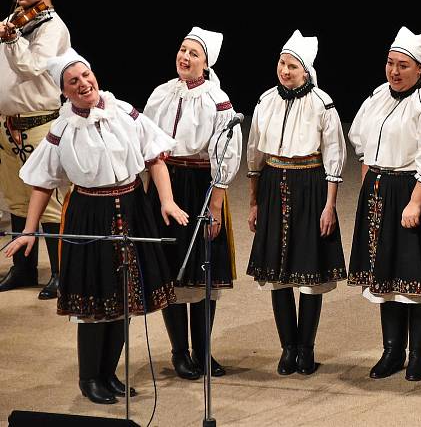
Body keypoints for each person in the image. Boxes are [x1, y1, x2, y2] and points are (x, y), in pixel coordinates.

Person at [3, 48, 188, 404]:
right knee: (94, 300)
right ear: (64, 91)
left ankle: (109, 373)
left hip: (132, 209)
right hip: (90, 213)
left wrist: (166, 200)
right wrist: (29, 229)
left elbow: (156, 158)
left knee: (124, 297)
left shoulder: (124, 113)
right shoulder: (62, 129)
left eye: (85, 75)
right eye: (73, 81)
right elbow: (42, 182)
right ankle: (89, 378)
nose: (83, 83)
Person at [347, 26, 421, 382]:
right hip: (380, 191)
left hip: (414, 192)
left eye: (403, 66)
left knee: (416, 277)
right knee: (387, 276)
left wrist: (416, 202)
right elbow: (362, 142)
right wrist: (369, 185)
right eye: (391, 63)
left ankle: (419, 354)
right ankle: (392, 350)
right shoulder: (379, 95)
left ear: (420, 69)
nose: (394, 71)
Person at [246, 30, 347, 376]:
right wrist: (255, 202)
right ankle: (287, 347)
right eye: (281, 63)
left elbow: (334, 156)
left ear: (306, 70)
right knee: (278, 273)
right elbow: (255, 155)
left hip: (310, 186)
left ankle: (306, 347)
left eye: (292, 66)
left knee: (309, 270)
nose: (284, 70)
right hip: (274, 183)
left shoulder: (323, 103)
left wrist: (330, 206)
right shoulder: (265, 101)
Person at [144, 27, 242, 379]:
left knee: (203, 273)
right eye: (182, 50)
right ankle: (179, 352)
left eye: (193, 54)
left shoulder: (217, 99)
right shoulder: (161, 93)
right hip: (166, 184)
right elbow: (147, 141)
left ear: (206, 62)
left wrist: (215, 206)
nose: (185, 58)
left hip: (201, 185)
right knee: (172, 270)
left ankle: (203, 351)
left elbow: (226, 155)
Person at [0, 0, 70, 299]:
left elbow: (30, 67)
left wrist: (12, 40)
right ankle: (23, 268)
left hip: (41, 124)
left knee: (51, 200)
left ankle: (60, 271)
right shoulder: (14, 21)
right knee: (16, 199)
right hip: (9, 125)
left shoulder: (52, 27)